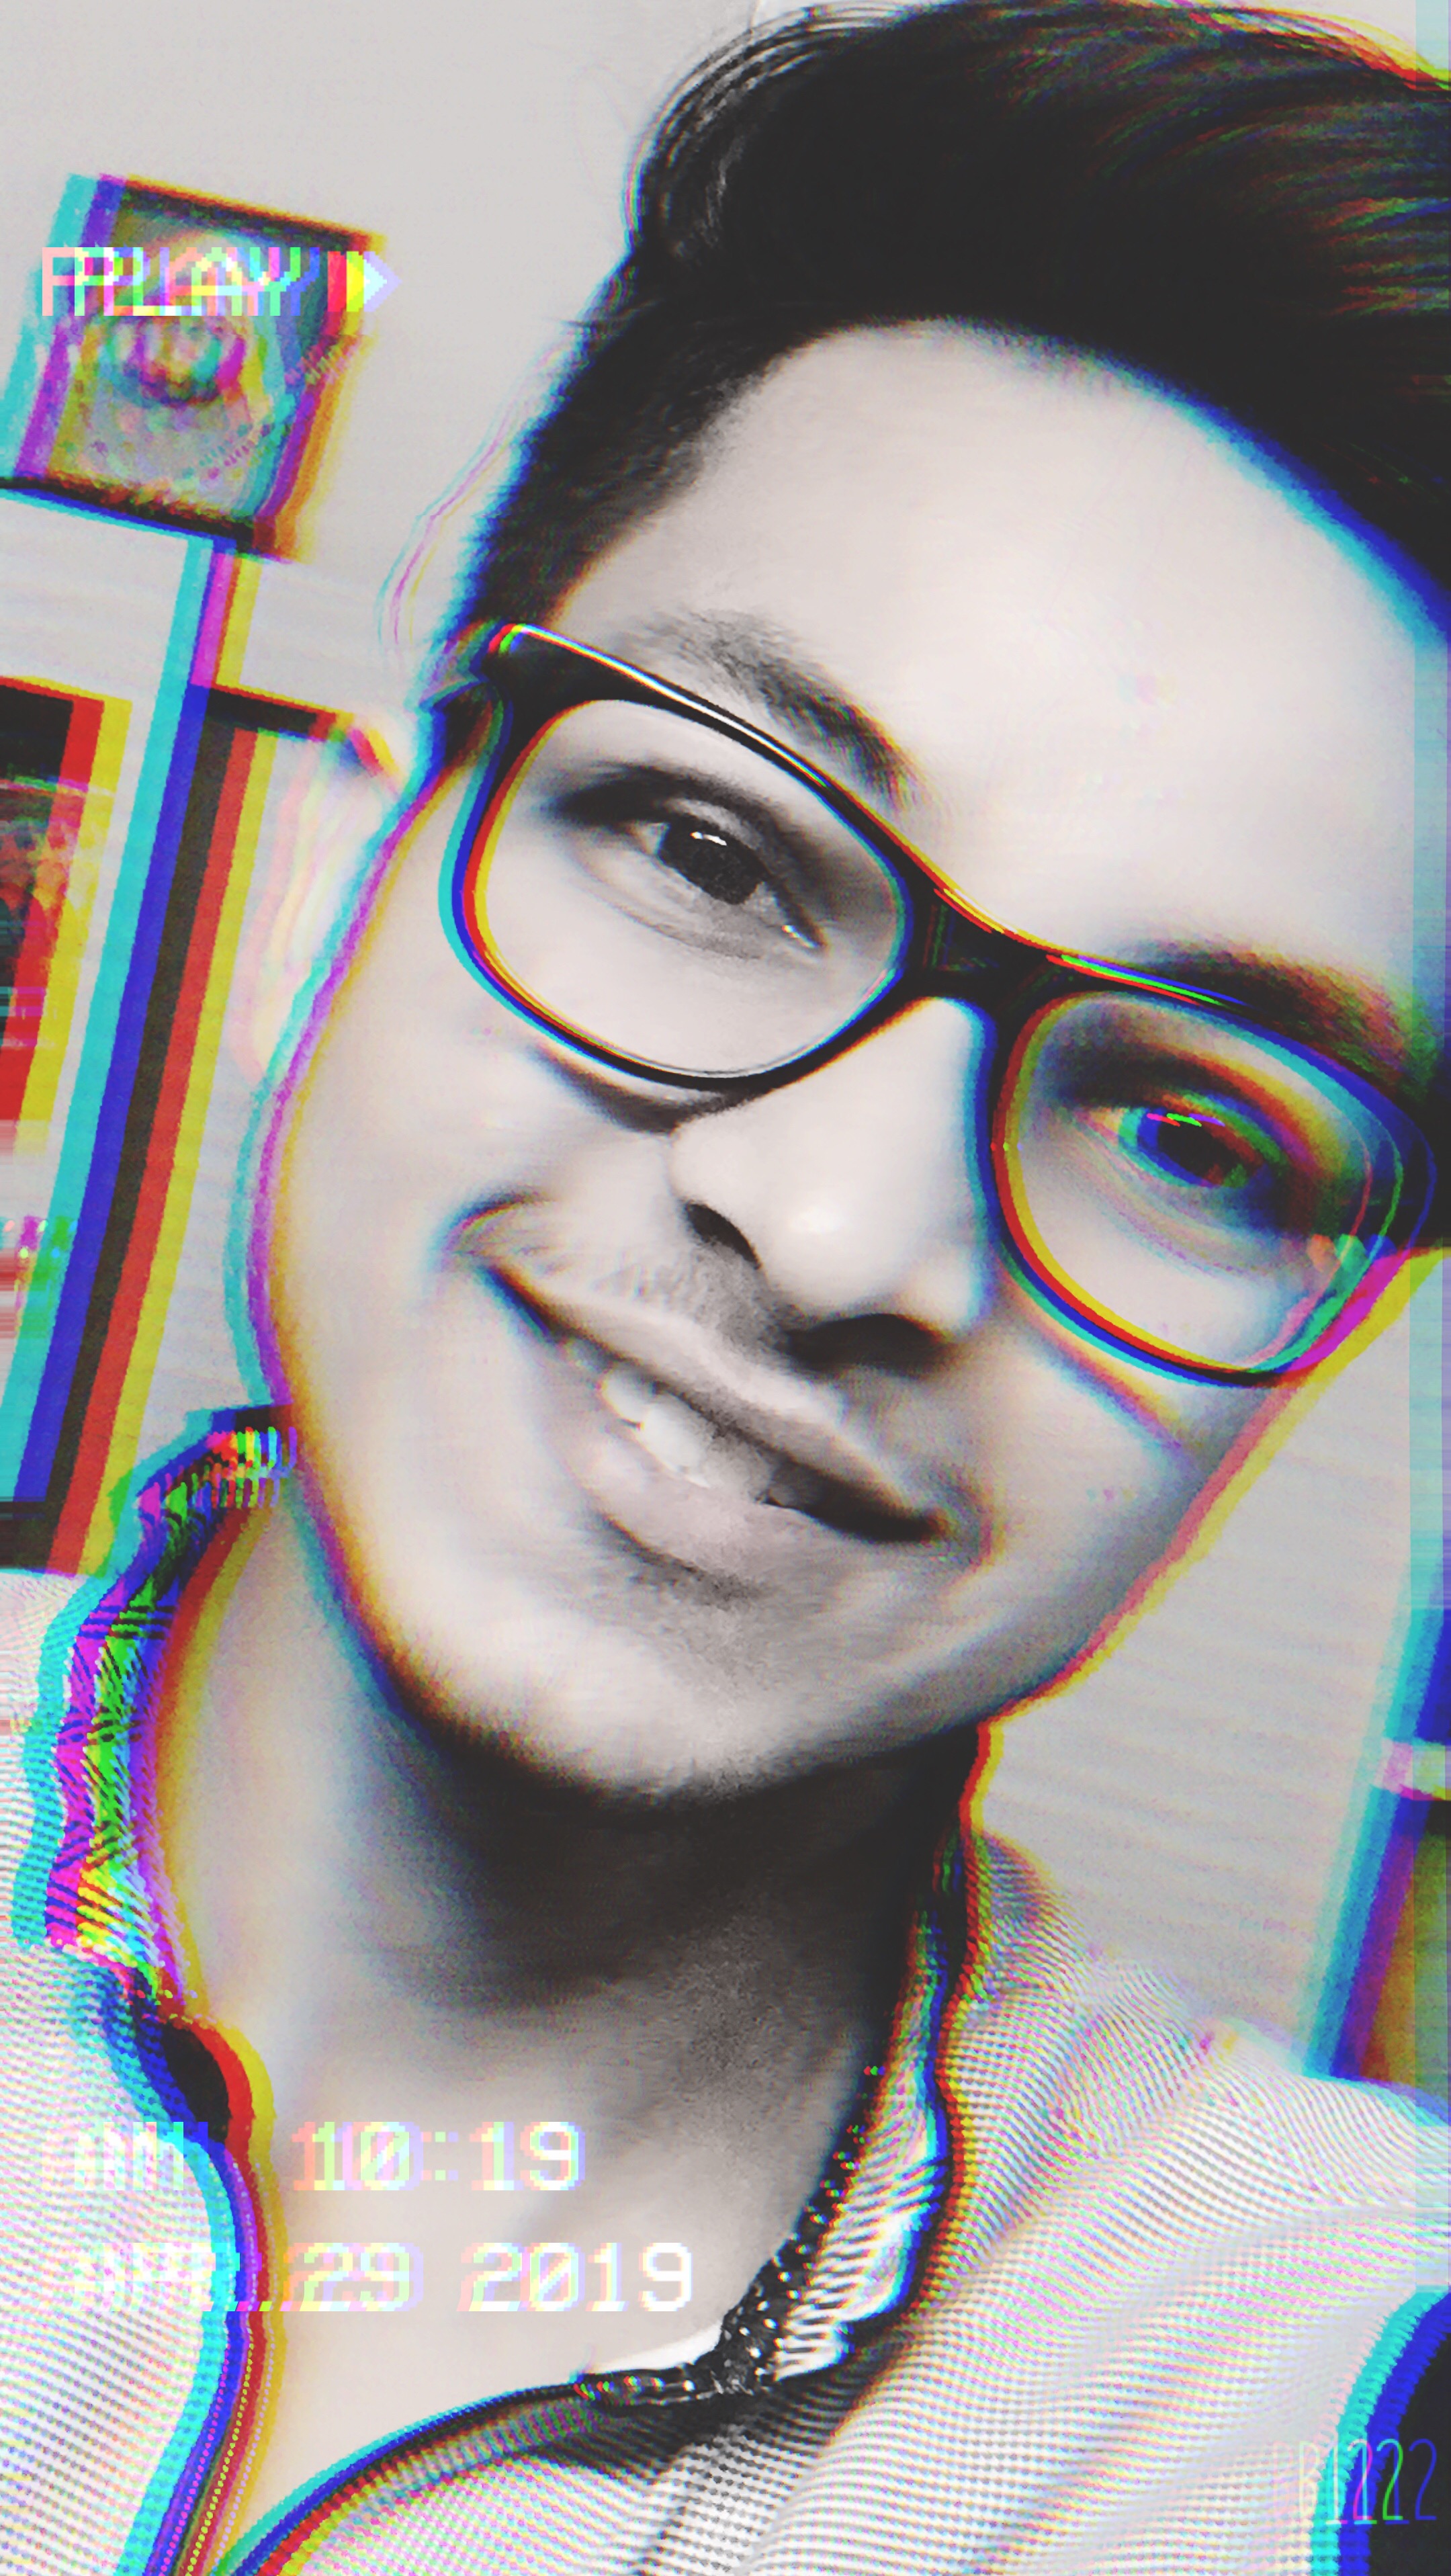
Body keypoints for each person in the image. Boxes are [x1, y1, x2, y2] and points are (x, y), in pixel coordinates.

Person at [2, 3, 1447, 2568]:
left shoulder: (1316, 2410)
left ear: (1333, 1325)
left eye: (1191, 1123)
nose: (845, 1231)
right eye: (712, 849)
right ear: (351, 863)